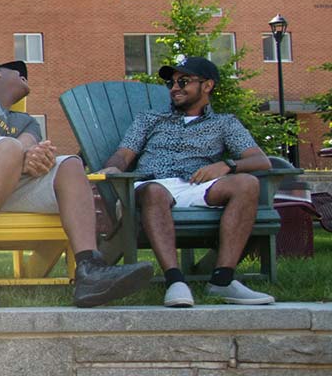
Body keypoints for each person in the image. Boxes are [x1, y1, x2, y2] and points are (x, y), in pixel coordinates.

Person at [0, 60, 152, 308]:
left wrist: (37, 159)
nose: (25, 76)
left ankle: (90, 270)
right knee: (7, 146)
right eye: (18, 71)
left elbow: (29, 151)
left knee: (70, 165)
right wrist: (22, 155)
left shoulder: (26, 122)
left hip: (3, 187)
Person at [95, 57, 276, 307]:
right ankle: (175, 281)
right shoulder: (150, 119)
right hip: (152, 185)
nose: (174, 87)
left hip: (197, 186)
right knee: (155, 192)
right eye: (172, 82)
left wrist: (227, 165)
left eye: (184, 81)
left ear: (208, 85)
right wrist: (114, 167)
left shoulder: (224, 123)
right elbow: (125, 153)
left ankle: (222, 280)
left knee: (247, 183)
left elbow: (261, 161)